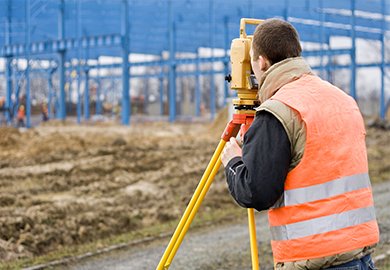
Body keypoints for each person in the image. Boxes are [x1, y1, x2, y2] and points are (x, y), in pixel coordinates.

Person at [221, 18, 379, 270]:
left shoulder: (278, 112)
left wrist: (233, 162)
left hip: (313, 259)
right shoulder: (343, 100)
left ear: (261, 62)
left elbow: (256, 192)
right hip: (359, 256)